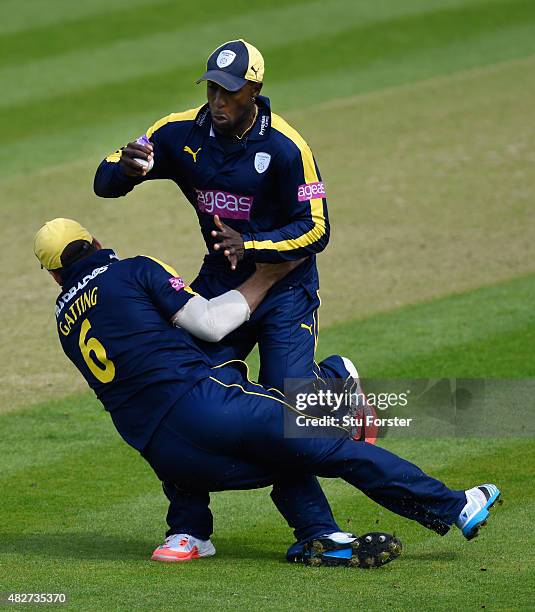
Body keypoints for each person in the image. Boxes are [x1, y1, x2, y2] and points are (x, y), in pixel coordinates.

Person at [34, 218, 501, 566]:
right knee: (335, 449)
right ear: (95, 242)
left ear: (54, 275)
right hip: (211, 407)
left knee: (282, 456)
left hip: (169, 459)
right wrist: (269, 277)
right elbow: (212, 325)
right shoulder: (134, 269)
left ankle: (317, 535)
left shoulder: (63, 322)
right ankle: (453, 503)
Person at [93, 38, 377, 562]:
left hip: (286, 289)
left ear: (254, 90)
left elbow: (317, 230)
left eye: (228, 92)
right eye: (211, 89)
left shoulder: (290, 148)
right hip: (220, 284)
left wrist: (252, 246)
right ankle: (190, 531)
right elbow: (105, 180)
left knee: (288, 409)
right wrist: (127, 172)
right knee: (182, 396)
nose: (217, 102)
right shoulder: (179, 131)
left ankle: (336, 385)